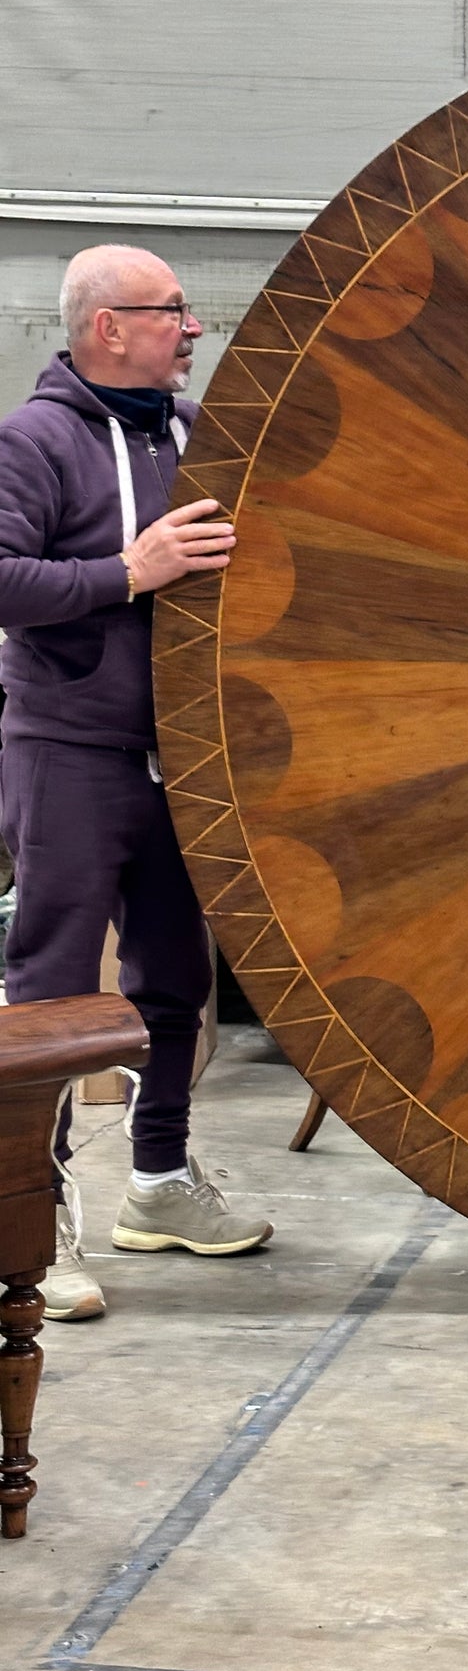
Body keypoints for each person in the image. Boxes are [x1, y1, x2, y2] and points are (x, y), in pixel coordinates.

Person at [0, 243, 273, 1322]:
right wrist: (128, 570)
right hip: (68, 752)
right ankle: (32, 1220)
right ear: (107, 325)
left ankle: (158, 1183)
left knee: (172, 980)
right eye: (171, 311)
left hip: (185, 759)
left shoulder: (193, 432)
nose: (192, 327)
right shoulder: (34, 440)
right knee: (54, 992)